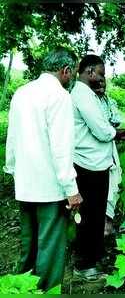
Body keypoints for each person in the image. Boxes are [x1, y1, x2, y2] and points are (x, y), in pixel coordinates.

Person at [3, 47, 83, 291]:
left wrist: (14, 171)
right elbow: (61, 149)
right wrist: (72, 189)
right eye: (74, 73)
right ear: (65, 70)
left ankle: (22, 290)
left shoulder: (22, 92)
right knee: (50, 247)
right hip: (51, 188)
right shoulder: (59, 96)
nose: (72, 79)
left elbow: (12, 139)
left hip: (25, 184)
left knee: (29, 245)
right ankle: (45, 291)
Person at [71, 55, 125, 281]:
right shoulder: (82, 95)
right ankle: (84, 264)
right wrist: (121, 133)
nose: (102, 78)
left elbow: (105, 125)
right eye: (101, 73)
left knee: (96, 215)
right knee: (89, 217)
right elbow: (101, 129)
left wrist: (120, 132)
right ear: (89, 72)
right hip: (88, 165)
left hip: (96, 163)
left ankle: (95, 257)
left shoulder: (87, 95)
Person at [93, 77, 122, 236]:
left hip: (109, 148)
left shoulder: (109, 102)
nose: (100, 87)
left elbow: (116, 121)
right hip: (93, 155)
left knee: (112, 187)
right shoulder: (89, 103)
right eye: (97, 84)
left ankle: (108, 225)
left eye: (103, 84)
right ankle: (99, 228)